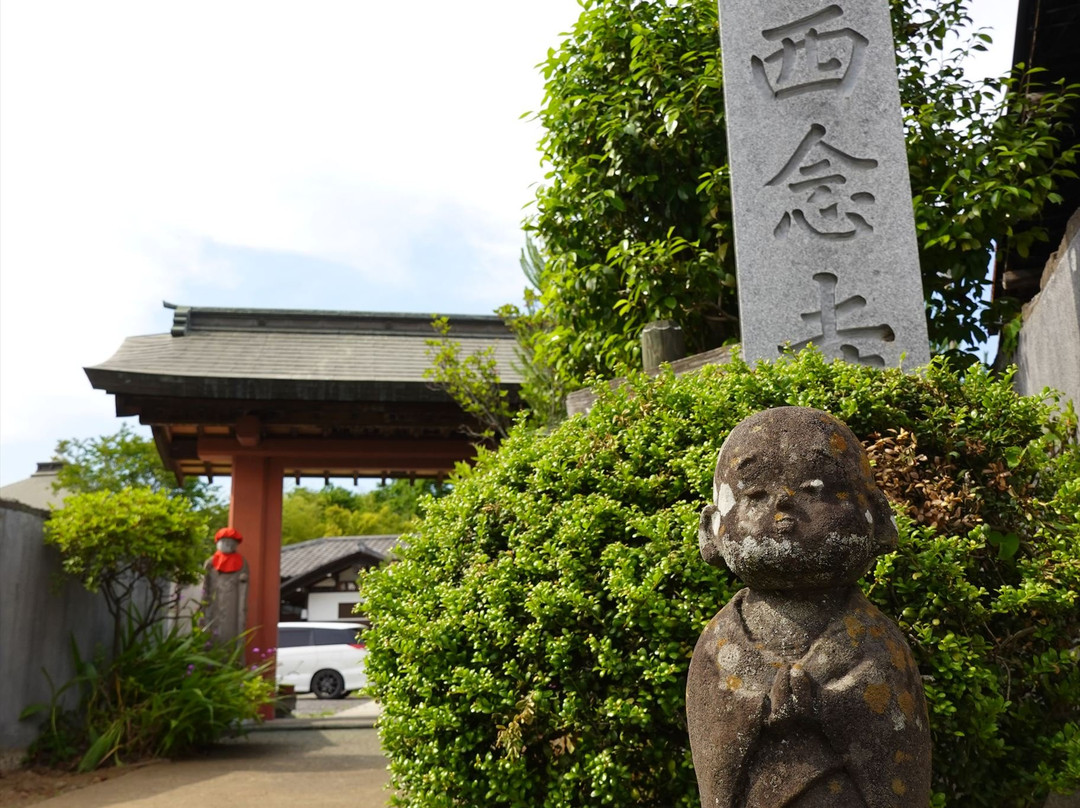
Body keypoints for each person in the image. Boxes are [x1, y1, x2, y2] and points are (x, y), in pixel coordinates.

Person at [687, 407, 931, 808]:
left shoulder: (877, 642)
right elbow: (713, 750)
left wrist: (832, 704)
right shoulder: (719, 645)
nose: (784, 503)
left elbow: (904, 763)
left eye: (815, 489)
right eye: (756, 494)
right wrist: (757, 706)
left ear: (877, 516)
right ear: (712, 530)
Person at [202, 526, 249, 645]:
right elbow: (205, 583)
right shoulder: (210, 562)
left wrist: (243, 580)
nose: (227, 545)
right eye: (224, 541)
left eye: (231, 542)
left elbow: (244, 584)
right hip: (214, 598)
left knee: (229, 627)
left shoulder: (242, 562)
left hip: (232, 600)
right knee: (212, 624)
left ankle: (231, 651)